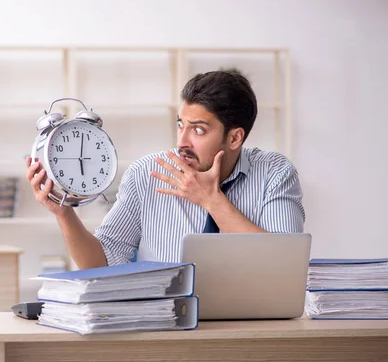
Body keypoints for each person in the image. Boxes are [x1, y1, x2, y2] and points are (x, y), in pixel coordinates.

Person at [26, 70, 305, 269]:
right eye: (180, 124)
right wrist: (64, 213)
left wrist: (210, 200)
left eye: (198, 130)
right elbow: (100, 262)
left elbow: (286, 260)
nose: (182, 141)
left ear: (235, 138)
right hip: (165, 328)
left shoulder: (274, 173)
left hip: (254, 329)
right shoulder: (146, 173)